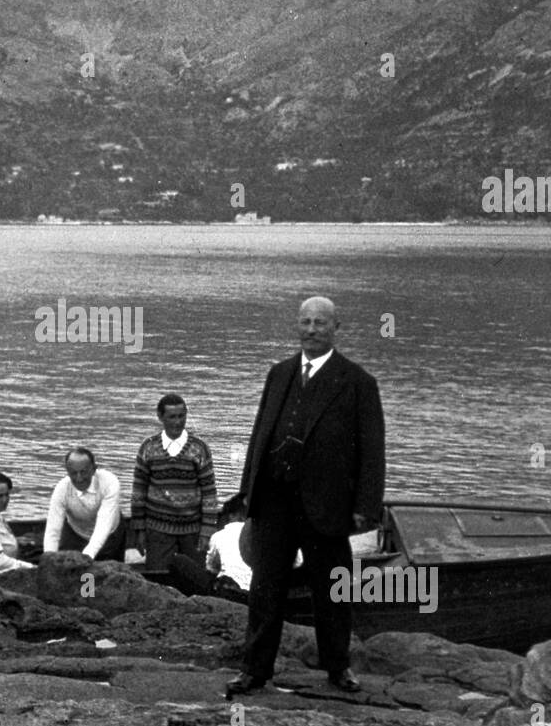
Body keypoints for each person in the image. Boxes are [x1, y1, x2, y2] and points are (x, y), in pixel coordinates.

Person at [226, 296, 385, 697]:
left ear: (336, 328)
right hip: (276, 501)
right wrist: (249, 492)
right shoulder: (278, 374)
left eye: (320, 323)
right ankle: (255, 670)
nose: (312, 329)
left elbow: (372, 452)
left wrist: (366, 508)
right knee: (265, 589)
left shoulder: (358, 382)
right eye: (305, 322)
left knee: (333, 589)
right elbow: (260, 435)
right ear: (297, 326)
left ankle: (338, 668)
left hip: (327, 505)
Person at [131, 393, 219, 576]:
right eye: (172, 417)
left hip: (192, 531)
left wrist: (207, 531)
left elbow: (209, 492)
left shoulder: (200, 449)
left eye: (182, 416)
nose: (178, 422)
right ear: (160, 417)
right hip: (158, 530)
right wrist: (139, 530)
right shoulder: (148, 448)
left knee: (195, 579)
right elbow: (139, 491)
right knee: (158, 578)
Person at [43, 447, 127, 561]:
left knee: (106, 572)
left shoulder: (110, 482)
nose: (79, 478)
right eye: (73, 473)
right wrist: (48, 558)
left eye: (83, 472)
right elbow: (53, 529)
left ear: (94, 469)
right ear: (67, 471)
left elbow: (104, 524)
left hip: (110, 535)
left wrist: (87, 556)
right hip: (75, 532)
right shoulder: (61, 489)